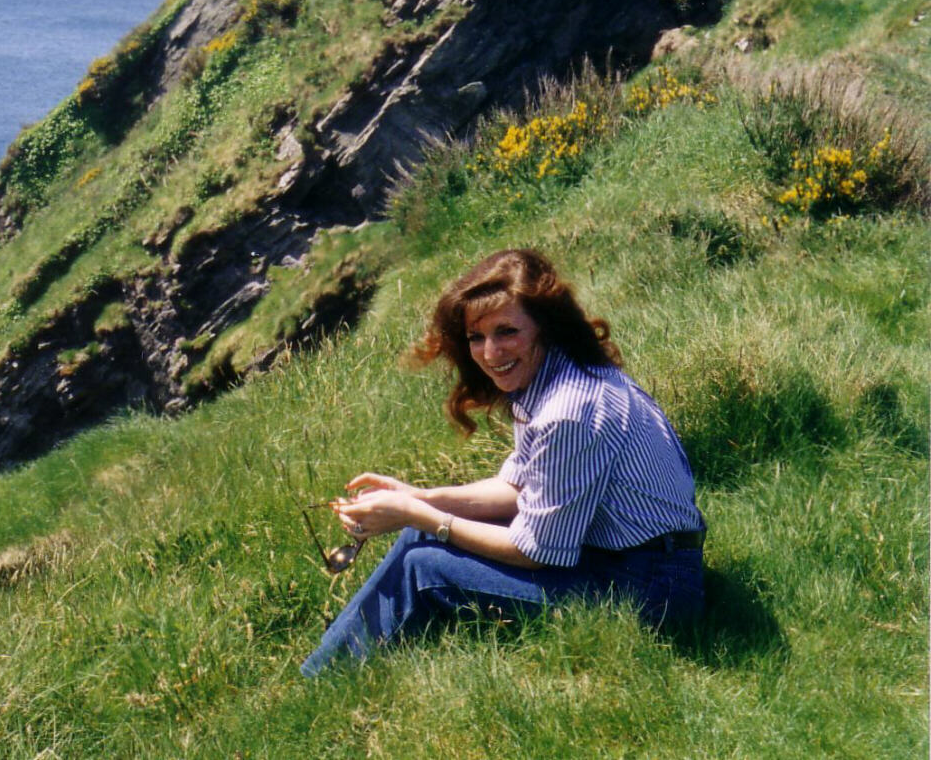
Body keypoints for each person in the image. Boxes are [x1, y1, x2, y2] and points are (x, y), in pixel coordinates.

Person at [300, 248, 705, 677]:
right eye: (477, 337)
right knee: (417, 537)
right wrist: (418, 497)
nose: (491, 352)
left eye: (506, 331)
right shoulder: (554, 378)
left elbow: (535, 551)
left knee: (425, 565)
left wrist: (420, 514)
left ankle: (324, 683)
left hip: (652, 590)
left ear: (545, 328)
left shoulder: (567, 411)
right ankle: (333, 663)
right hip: (624, 560)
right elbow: (516, 489)